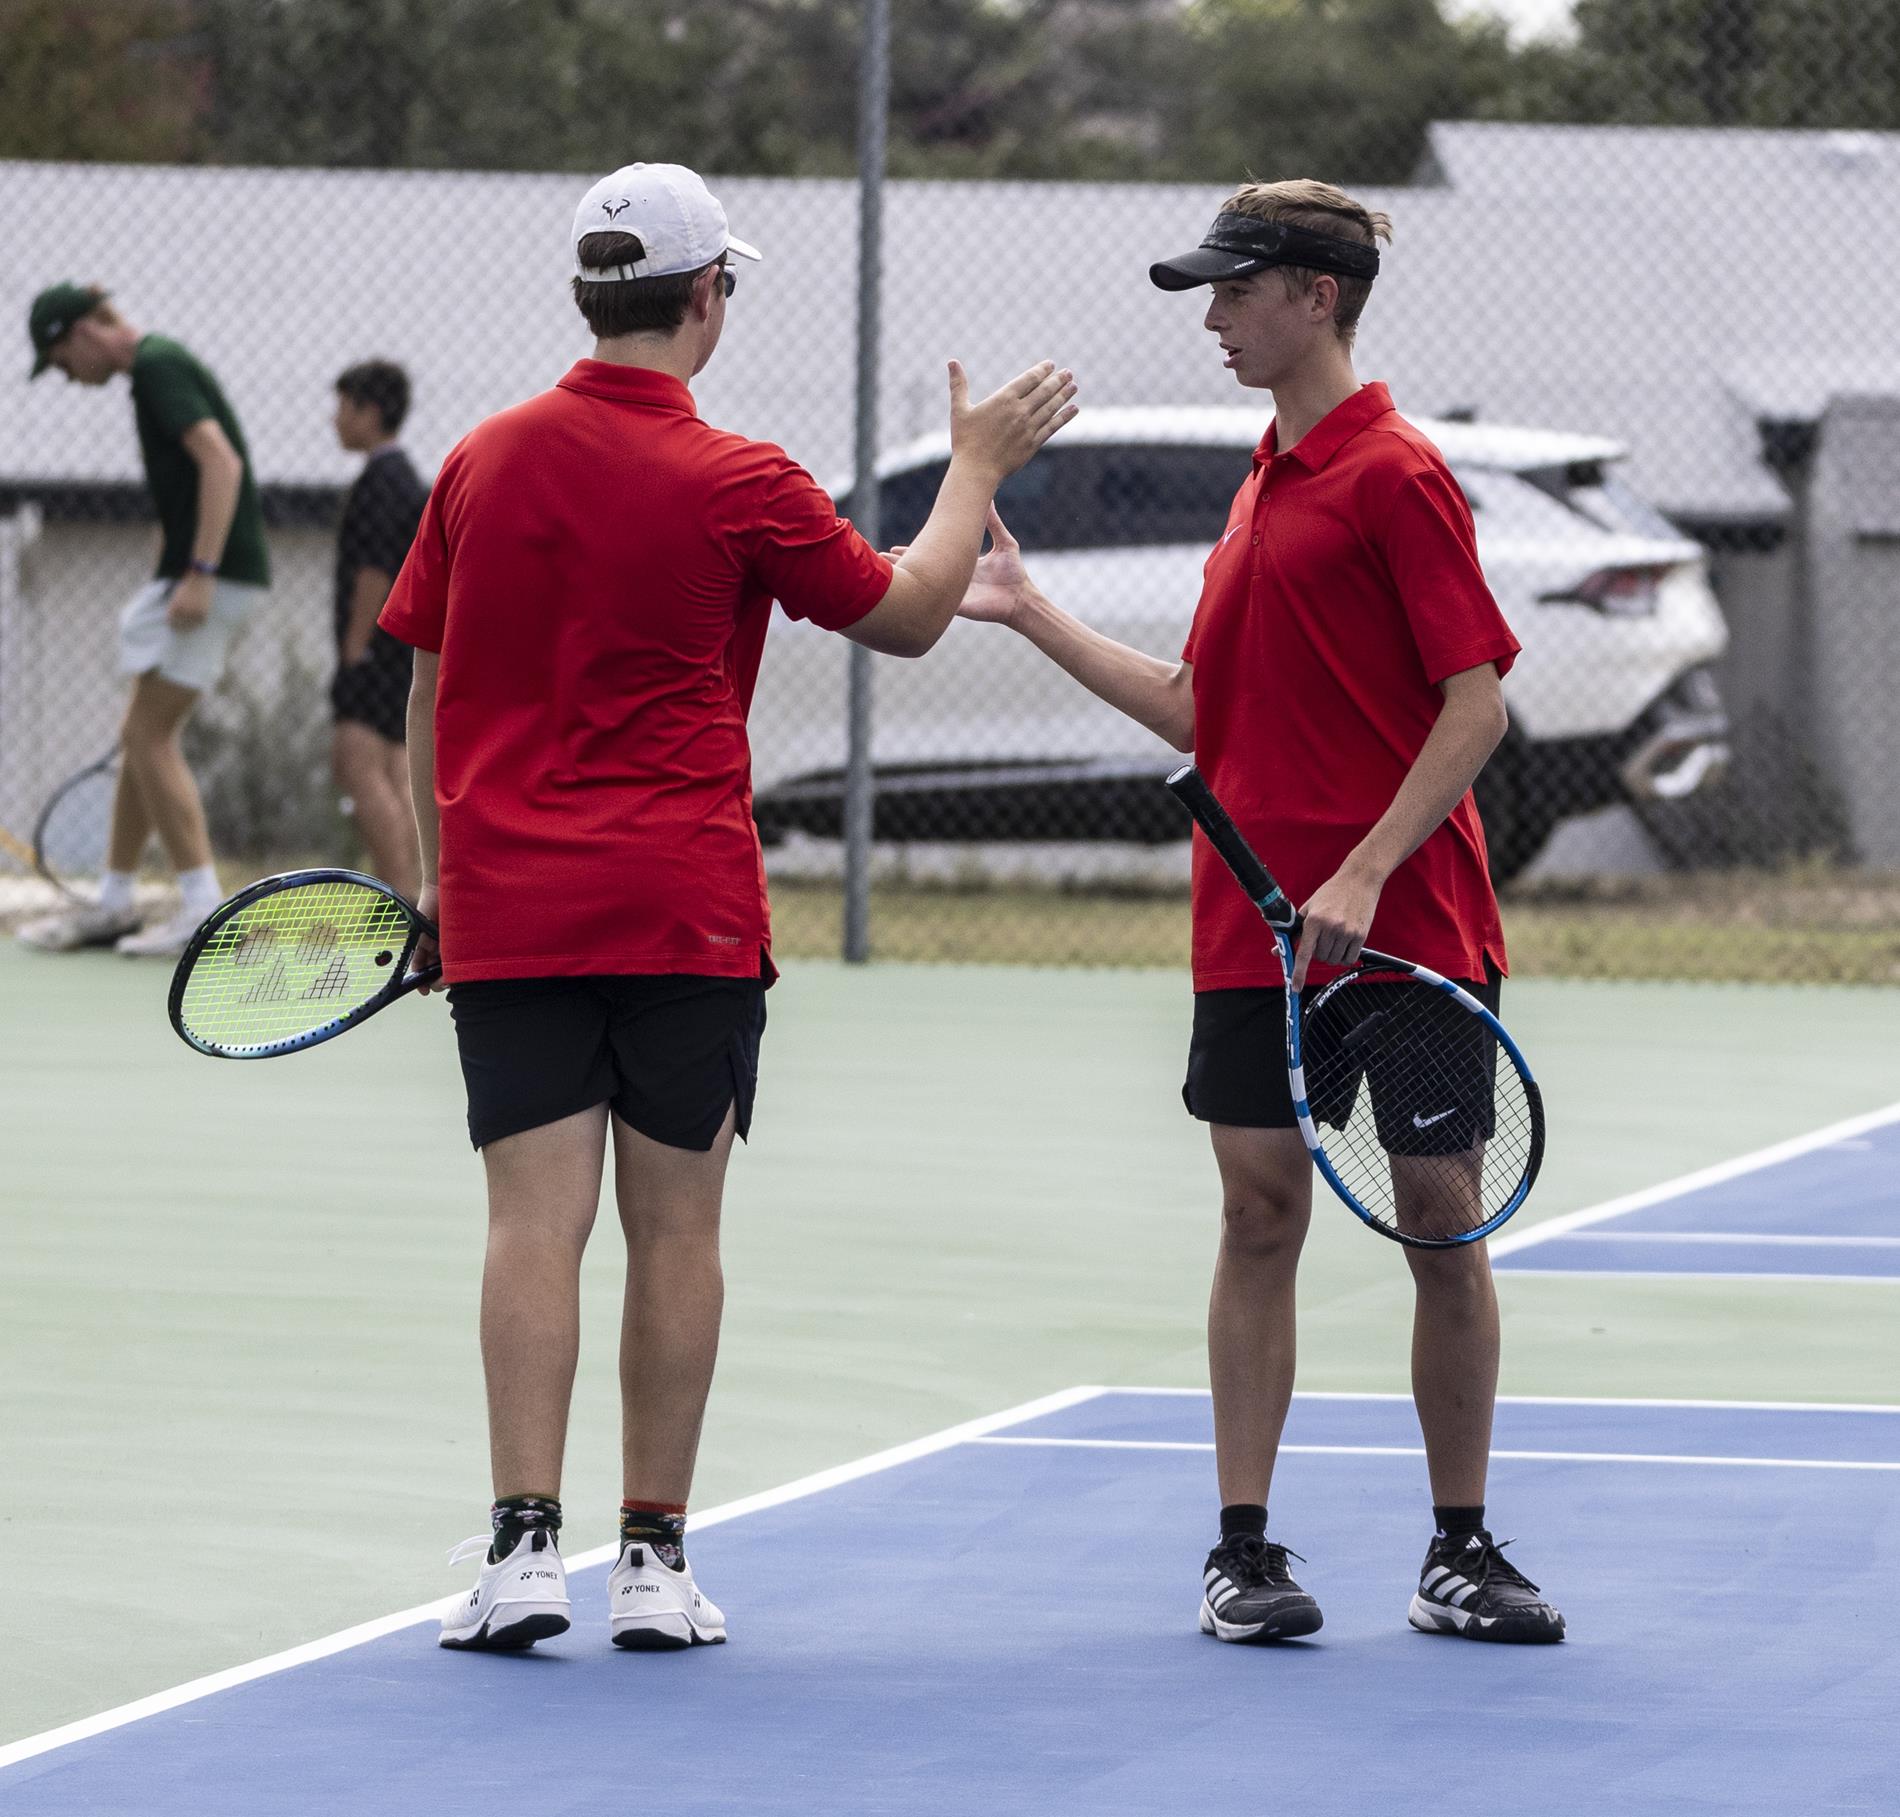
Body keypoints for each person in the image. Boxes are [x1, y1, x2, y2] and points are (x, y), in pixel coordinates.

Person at [377, 162, 1076, 1653]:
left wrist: (438, 873)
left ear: (590, 292)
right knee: (675, 1226)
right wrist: (973, 469)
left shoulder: (481, 462)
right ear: (706, 300)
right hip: (683, 907)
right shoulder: (739, 477)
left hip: (509, 907)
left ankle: (519, 1557)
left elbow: (425, 677)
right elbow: (904, 612)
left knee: (530, 1223)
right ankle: (650, 1562)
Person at [954, 180, 1565, 1645]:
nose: (1214, 317)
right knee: (1258, 1213)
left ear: (1315, 295)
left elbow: (1476, 708)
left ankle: (1461, 1548)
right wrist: (1033, 613)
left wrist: (1361, 869)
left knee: (1439, 1216)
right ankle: (1244, 1551)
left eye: (1235, 292)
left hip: (1407, 927)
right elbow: (1195, 708)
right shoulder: (1258, 482)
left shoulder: (1396, 474)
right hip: (1251, 926)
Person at [18, 284, 270, 956]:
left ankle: (202, 908)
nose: (69, 377)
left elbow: (221, 462)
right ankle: (114, 900)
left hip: (221, 574)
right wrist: (171, 576)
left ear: (79, 333)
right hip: (197, 573)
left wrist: (201, 573)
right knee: (140, 733)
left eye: (61, 360)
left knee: (147, 733)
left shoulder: (157, 365)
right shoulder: (149, 373)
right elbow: (189, 488)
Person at [330, 360, 427, 900]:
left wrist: (354, 651)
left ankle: (403, 897)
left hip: (374, 654)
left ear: (370, 411)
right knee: (394, 771)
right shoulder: (404, 479)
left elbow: (372, 572)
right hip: (400, 653)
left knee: (357, 765)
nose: (335, 420)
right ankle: (410, 889)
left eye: (342, 406)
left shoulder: (378, 483)